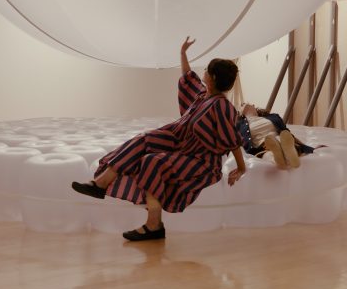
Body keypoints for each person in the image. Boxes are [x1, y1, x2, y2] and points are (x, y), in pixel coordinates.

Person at [71, 37, 246, 242]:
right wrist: (183, 54)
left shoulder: (222, 106)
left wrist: (241, 168)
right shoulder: (203, 96)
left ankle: (154, 226)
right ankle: (100, 184)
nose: (203, 73)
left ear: (213, 78)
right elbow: (189, 78)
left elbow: (233, 141)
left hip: (200, 160)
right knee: (144, 139)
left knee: (151, 162)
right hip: (179, 143)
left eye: (206, 70)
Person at [236, 104, 318, 169]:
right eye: (241, 106)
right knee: (268, 154)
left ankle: (285, 155)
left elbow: (287, 133)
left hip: (281, 140)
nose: (242, 104)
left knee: (282, 138)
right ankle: (285, 157)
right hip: (262, 146)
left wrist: (310, 148)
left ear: (253, 106)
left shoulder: (274, 117)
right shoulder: (239, 124)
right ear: (239, 112)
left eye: (244, 103)